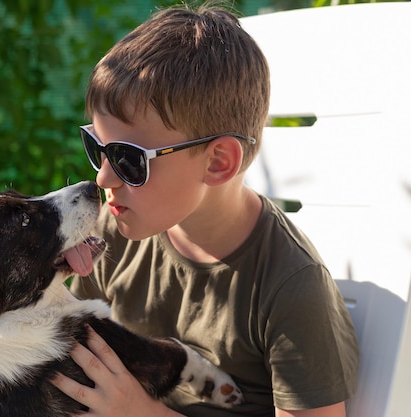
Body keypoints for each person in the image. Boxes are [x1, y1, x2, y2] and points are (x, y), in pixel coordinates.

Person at [50, 3, 359, 417]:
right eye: (97, 148)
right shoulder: (112, 233)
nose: (104, 179)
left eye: (128, 159)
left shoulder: (290, 287)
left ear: (217, 163)